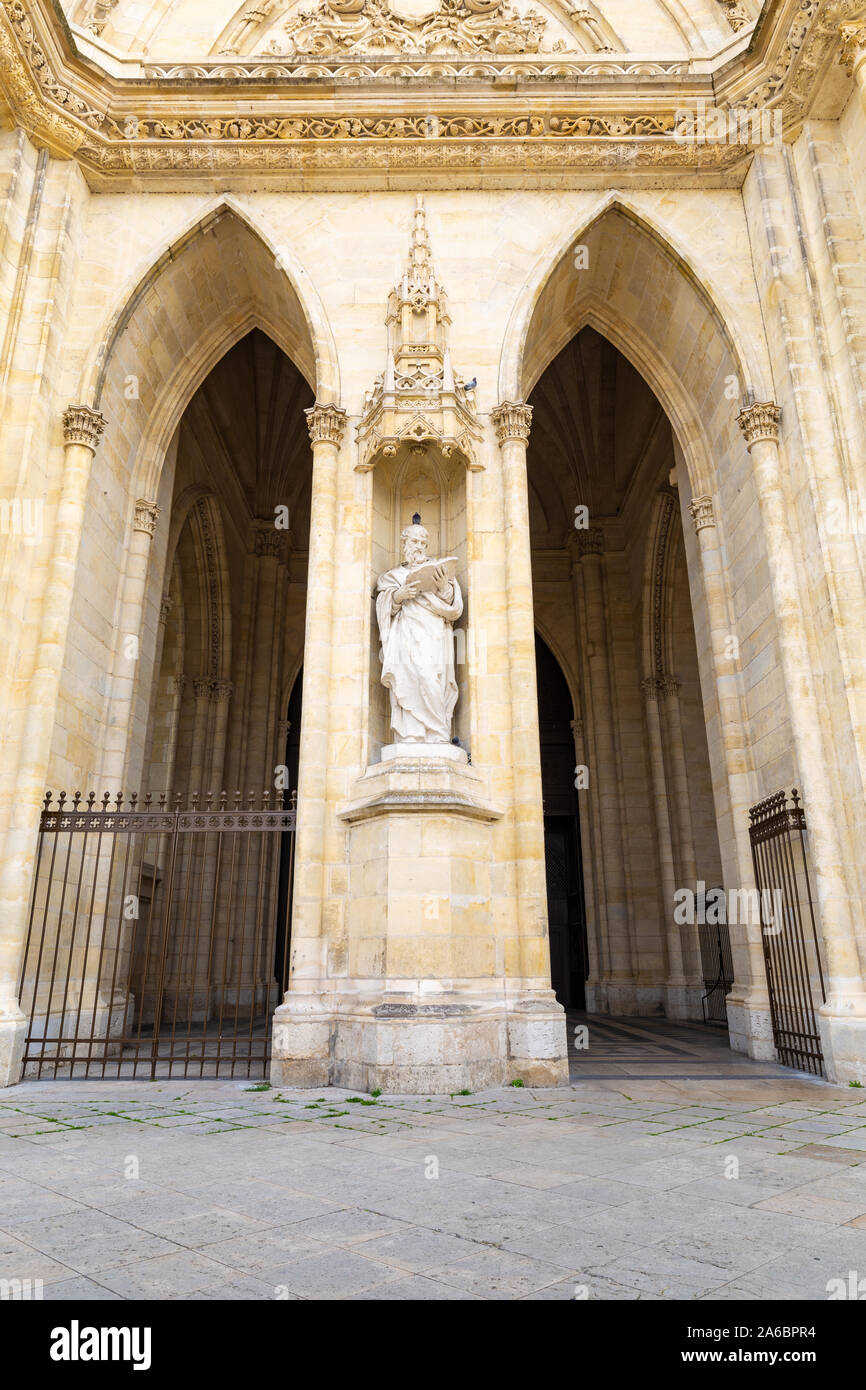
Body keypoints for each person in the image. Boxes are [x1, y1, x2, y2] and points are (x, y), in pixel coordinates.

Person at [375, 518, 463, 743]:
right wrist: (398, 595)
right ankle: (412, 733)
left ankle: (438, 732)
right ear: (404, 544)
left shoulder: (438, 570)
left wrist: (444, 586)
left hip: (433, 634)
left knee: (429, 677)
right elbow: (384, 604)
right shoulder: (393, 576)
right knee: (408, 679)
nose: (419, 547)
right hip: (405, 635)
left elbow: (452, 604)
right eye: (415, 541)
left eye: (424, 543)